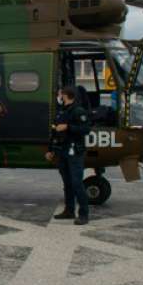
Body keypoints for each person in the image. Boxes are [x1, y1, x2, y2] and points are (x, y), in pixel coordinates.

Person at [46, 86, 91, 225]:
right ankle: (69, 210)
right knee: (67, 183)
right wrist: (50, 150)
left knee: (77, 182)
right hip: (62, 150)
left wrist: (68, 127)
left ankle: (83, 214)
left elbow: (86, 129)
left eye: (60, 93)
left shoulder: (78, 111)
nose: (58, 95)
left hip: (75, 151)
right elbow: (55, 131)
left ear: (65, 95)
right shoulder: (62, 111)